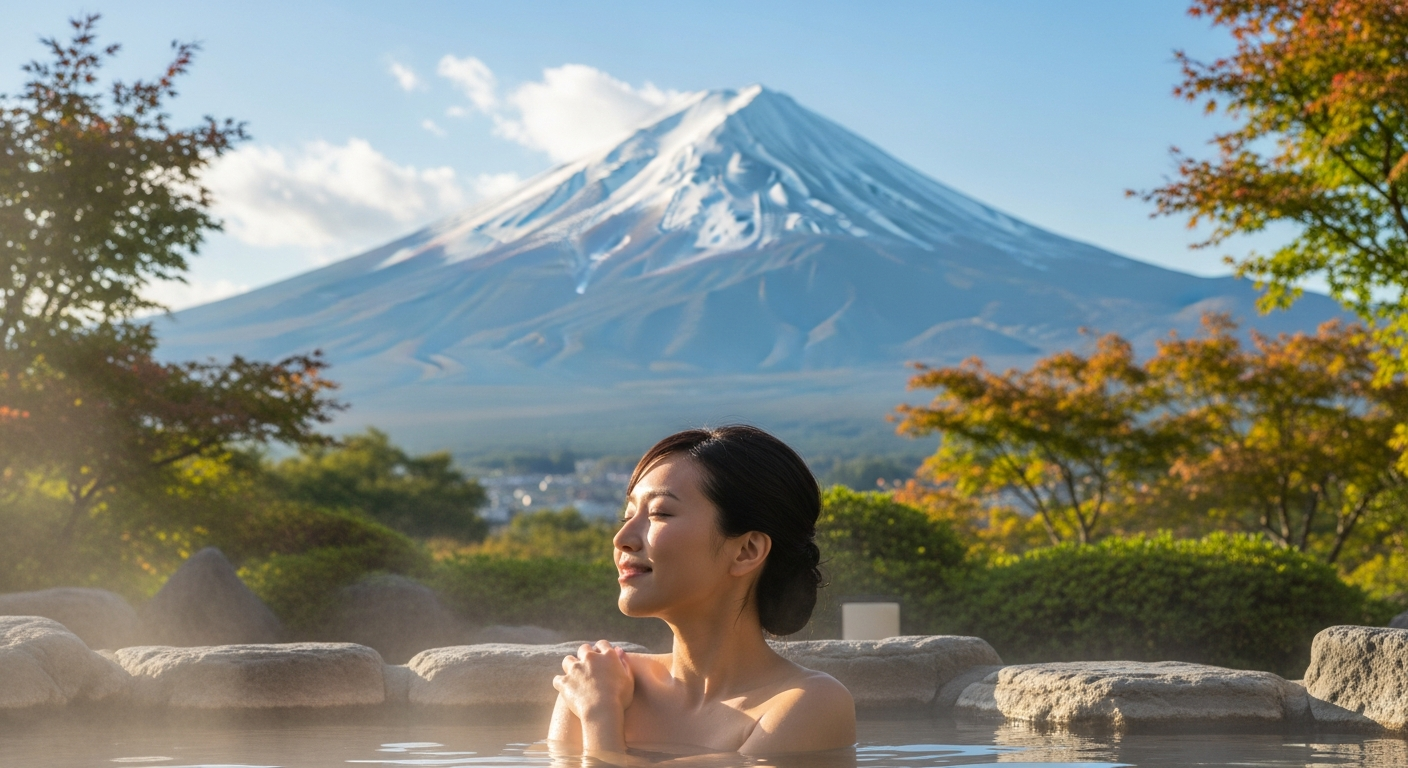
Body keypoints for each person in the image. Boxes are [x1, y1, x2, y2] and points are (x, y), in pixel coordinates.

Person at [548, 425, 856, 758]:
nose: (622, 537)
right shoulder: (597, 679)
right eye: (628, 514)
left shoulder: (808, 703)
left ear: (746, 550)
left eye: (659, 513)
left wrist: (601, 719)